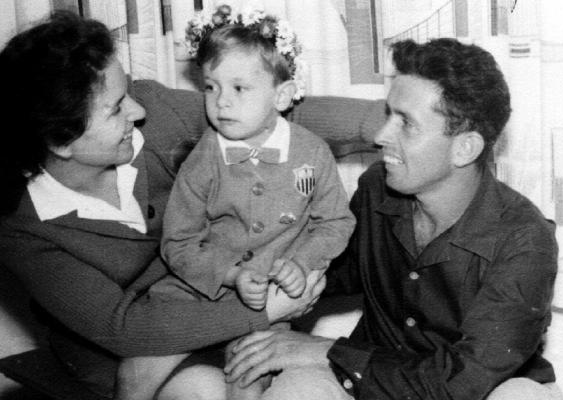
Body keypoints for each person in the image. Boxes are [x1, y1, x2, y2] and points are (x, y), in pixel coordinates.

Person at [0, 11, 324, 400]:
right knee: (201, 391)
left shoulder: (153, 114)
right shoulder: (22, 229)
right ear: (61, 141)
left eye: (128, 92)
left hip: (213, 298)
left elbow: (264, 115)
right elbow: (124, 328)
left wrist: (377, 120)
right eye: (116, 107)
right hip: (120, 348)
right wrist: (268, 310)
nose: (137, 111)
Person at [224, 38, 562, 400]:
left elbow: (463, 381)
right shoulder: (377, 189)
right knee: (296, 390)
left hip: (475, 392)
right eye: (389, 115)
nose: (381, 136)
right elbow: (323, 270)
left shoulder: (525, 240)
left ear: (465, 148)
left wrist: (329, 352)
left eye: (406, 124)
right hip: (374, 382)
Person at [116, 5, 355, 400]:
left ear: (282, 95)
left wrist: (301, 262)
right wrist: (230, 275)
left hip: (267, 302)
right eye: (211, 87)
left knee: (248, 375)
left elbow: (336, 222)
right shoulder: (204, 158)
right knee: (135, 371)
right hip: (193, 294)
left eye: (239, 88)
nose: (221, 102)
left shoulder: (312, 152)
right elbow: (178, 243)